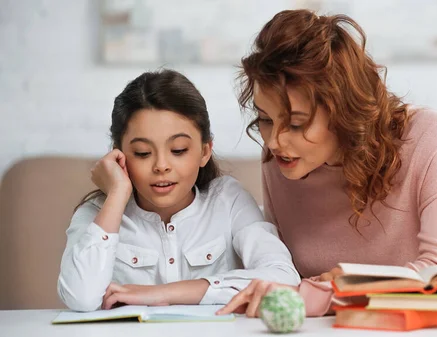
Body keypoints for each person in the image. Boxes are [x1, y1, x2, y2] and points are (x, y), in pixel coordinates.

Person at [217, 9, 437, 317]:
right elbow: (284, 274)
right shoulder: (281, 159)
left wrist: (334, 288)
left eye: (296, 124)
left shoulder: (429, 137)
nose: (274, 142)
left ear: (344, 114)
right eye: (265, 119)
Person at [57, 69, 300, 312]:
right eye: (142, 153)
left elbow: (283, 276)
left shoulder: (227, 200)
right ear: (119, 155)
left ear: (205, 151)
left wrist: (163, 294)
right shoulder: (98, 214)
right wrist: (117, 194)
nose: (161, 166)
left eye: (178, 150)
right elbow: (81, 298)